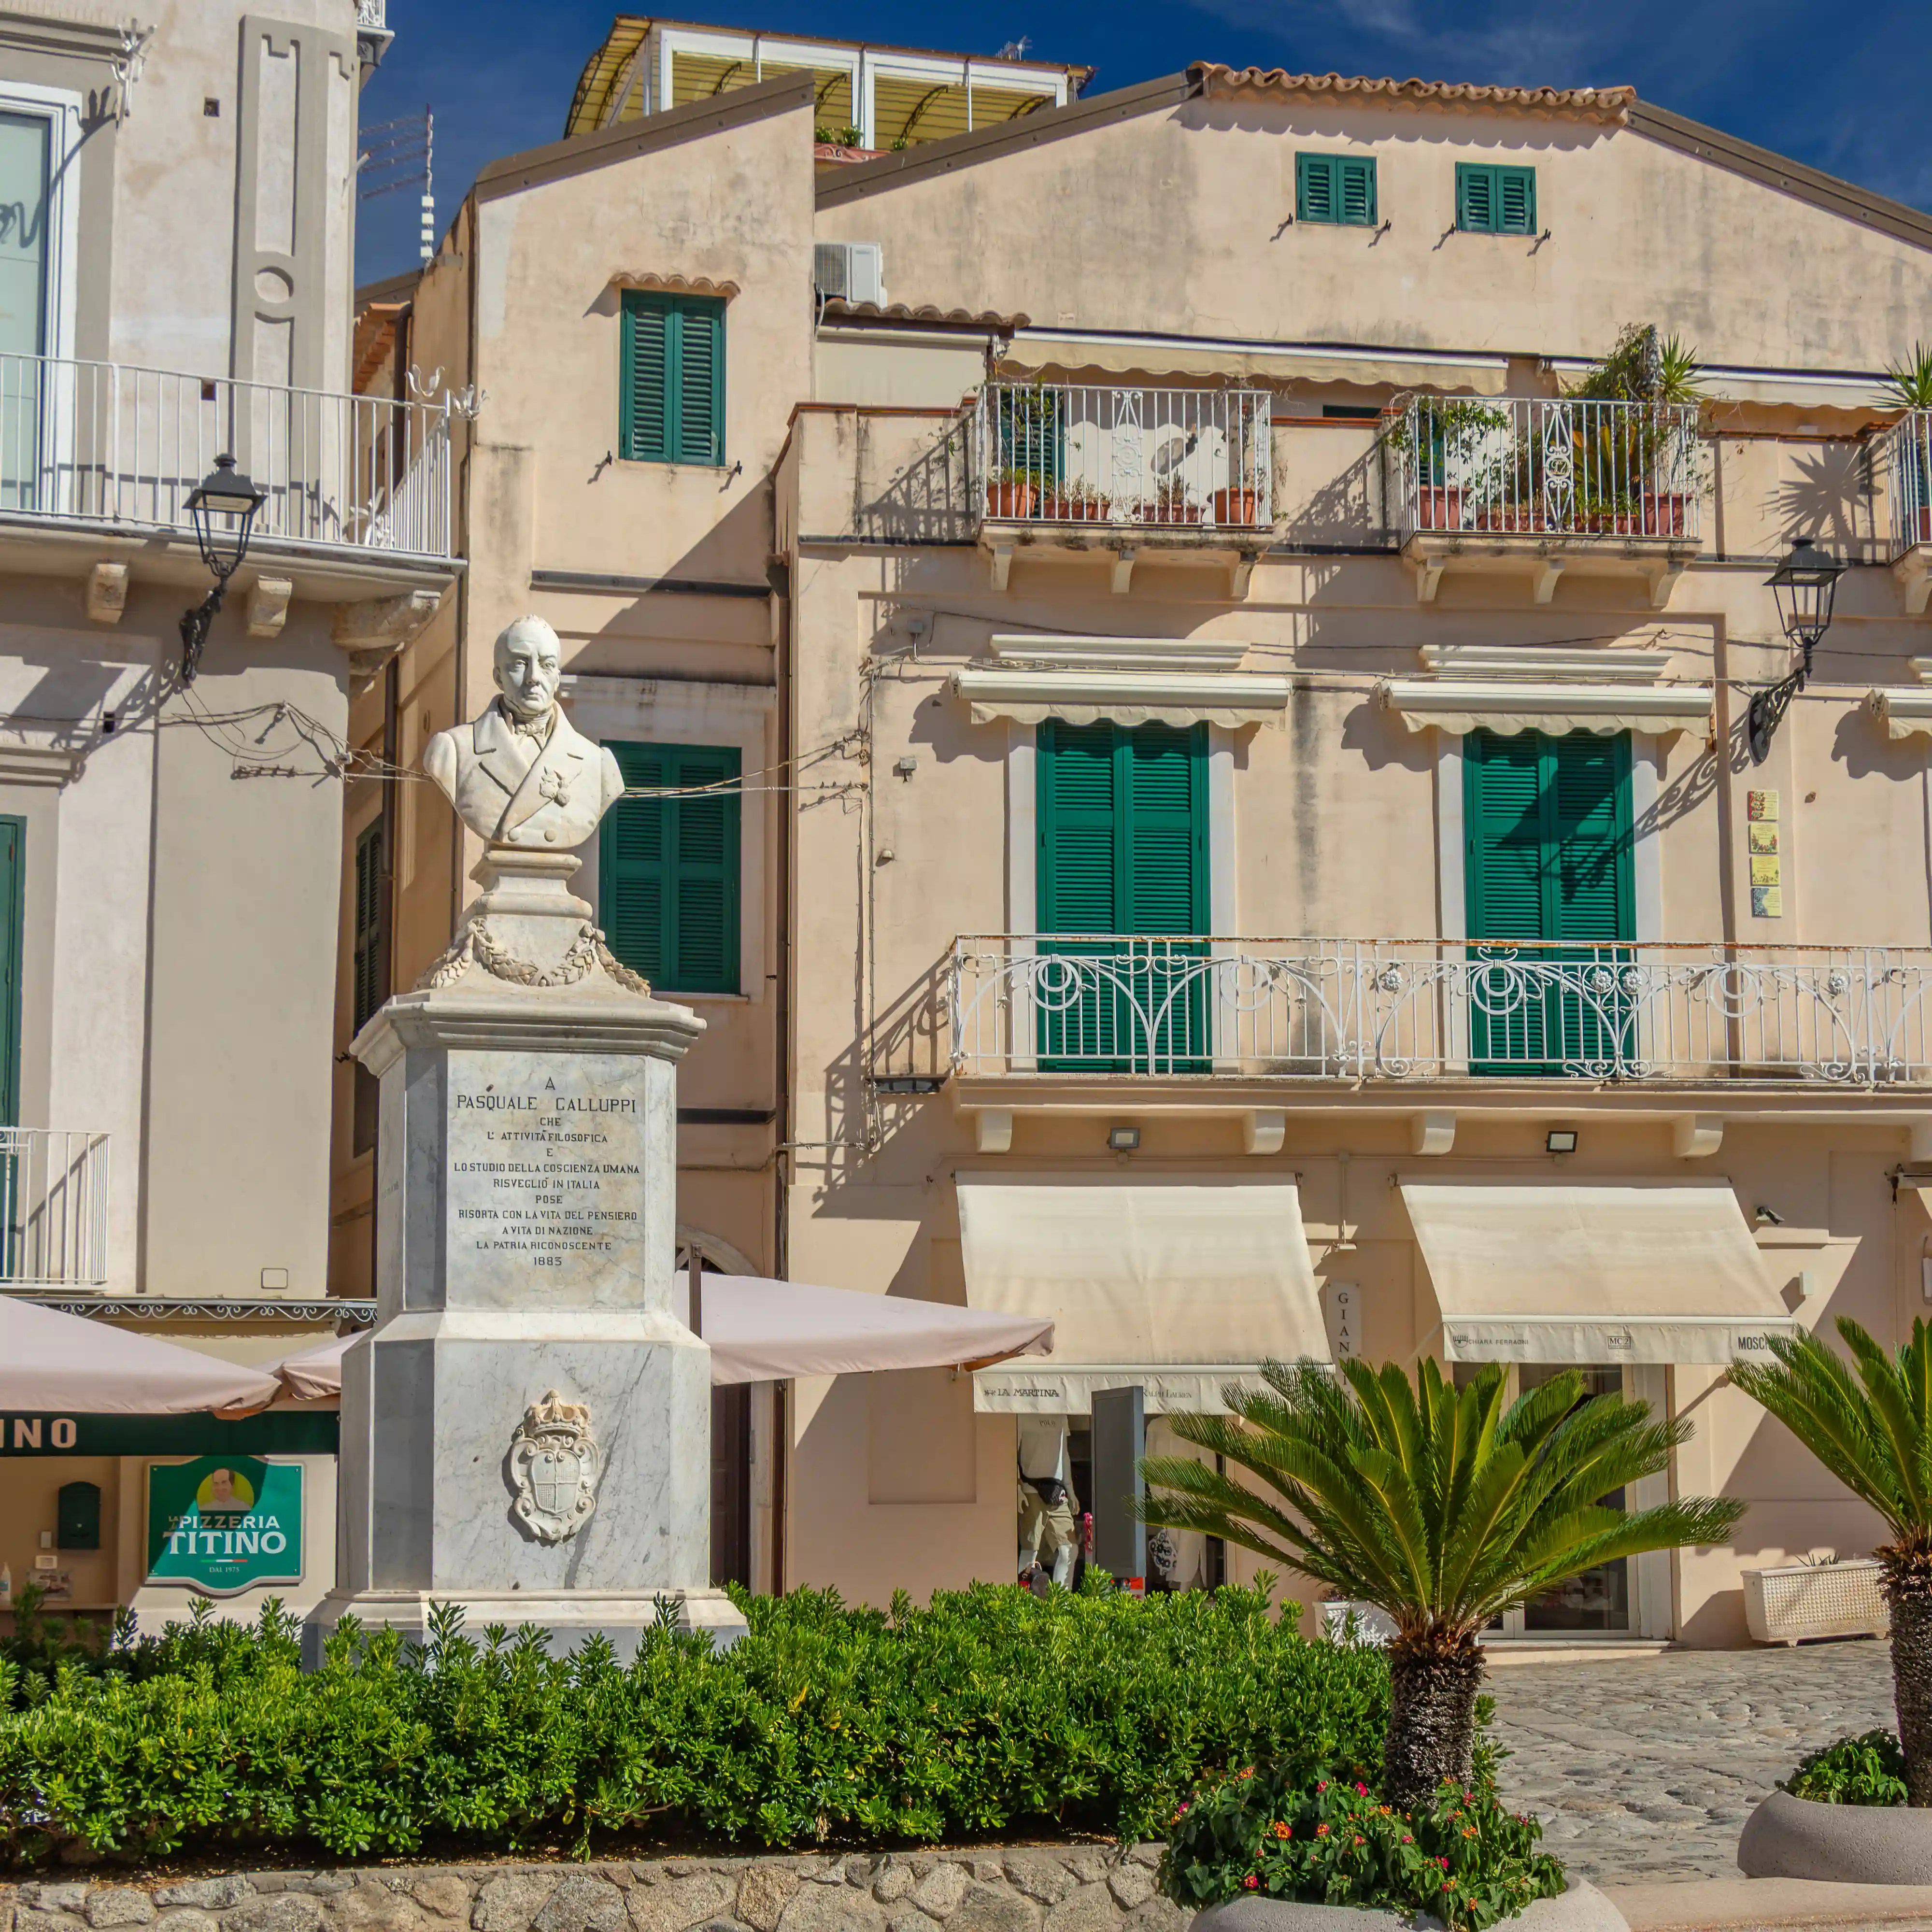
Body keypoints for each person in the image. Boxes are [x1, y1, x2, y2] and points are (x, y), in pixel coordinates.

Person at [422, 615, 626, 850]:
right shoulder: (454, 750)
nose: (533, 678)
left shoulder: (596, 763)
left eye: (547, 665)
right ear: (498, 677)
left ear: (558, 679)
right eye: (520, 663)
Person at [1017, 1415, 1079, 1589]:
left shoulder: (1061, 1415)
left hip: (1056, 1491)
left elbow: (1064, 1454)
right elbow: (1012, 1449)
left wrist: (1070, 1490)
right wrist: (1017, 1487)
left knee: (1070, 1550)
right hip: (1030, 1489)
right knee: (1031, 1549)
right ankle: (1023, 1602)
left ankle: (1061, 1603)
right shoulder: (1023, 1414)